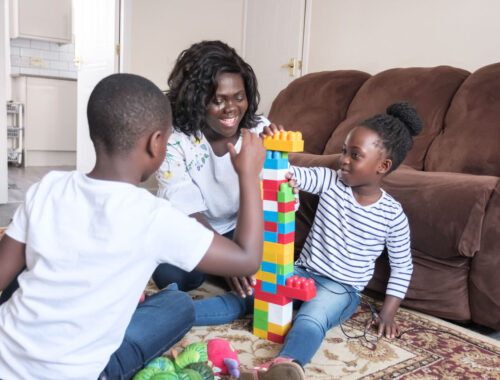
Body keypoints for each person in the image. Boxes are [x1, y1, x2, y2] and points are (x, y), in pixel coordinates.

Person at [0, 73, 267, 380]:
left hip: (5, 354)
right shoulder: (153, 216)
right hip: (81, 372)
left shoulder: (47, 187)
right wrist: (248, 175)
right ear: (156, 143)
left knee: (33, 249)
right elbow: (247, 258)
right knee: (178, 304)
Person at [194, 102, 423, 380]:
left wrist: (388, 313)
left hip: (342, 288)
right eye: (344, 151)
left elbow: (402, 267)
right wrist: (272, 152)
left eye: (355, 155)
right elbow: (290, 175)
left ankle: (286, 365)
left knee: (311, 318)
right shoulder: (330, 180)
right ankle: (175, 312)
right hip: (302, 272)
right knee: (248, 294)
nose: (344, 160)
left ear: (382, 166)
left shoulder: (392, 215)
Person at [154, 40, 280, 298]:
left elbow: (273, 200)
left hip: (240, 226)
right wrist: (228, 261)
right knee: (175, 277)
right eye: (218, 100)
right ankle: (217, 267)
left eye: (239, 97)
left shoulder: (258, 132)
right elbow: (187, 211)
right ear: (195, 100)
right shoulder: (174, 139)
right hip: (192, 225)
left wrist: (280, 160)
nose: (231, 108)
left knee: (268, 276)